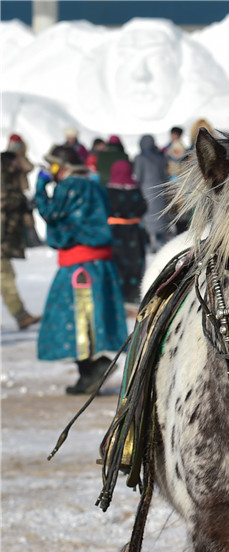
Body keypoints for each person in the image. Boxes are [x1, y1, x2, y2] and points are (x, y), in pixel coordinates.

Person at [34, 145, 127, 395]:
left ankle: (93, 369)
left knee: (74, 318)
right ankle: (89, 373)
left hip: (79, 264)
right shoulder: (94, 184)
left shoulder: (69, 186)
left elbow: (51, 214)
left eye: (52, 166)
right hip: (98, 262)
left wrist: (40, 188)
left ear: (62, 167)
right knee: (85, 318)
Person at [1, 150, 41, 329]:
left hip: (5, 236)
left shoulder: (9, 176)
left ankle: (21, 315)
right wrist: (21, 200)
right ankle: (21, 316)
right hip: (2, 237)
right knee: (6, 276)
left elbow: (28, 167)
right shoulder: (3, 177)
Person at [105, 159, 147, 306]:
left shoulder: (108, 191)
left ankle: (118, 295)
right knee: (135, 264)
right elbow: (143, 207)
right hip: (134, 232)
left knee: (117, 263)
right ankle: (133, 296)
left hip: (115, 232)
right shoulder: (135, 189)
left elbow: (104, 209)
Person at [133, 134, 171, 251]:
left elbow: (138, 176)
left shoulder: (140, 158)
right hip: (159, 190)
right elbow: (164, 175)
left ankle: (150, 241)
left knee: (147, 215)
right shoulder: (160, 157)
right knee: (159, 215)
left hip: (145, 191)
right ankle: (160, 240)